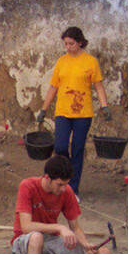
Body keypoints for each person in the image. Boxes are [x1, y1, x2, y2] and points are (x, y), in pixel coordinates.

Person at [36, 26, 111, 195]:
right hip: (62, 111)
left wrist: (104, 105)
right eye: (65, 44)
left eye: (71, 43)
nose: (68, 47)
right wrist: (43, 109)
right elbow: (53, 87)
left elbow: (98, 86)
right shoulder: (62, 61)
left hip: (83, 114)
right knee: (60, 147)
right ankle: (60, 181)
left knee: (77, 149)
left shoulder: (90, 61)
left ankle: (72, 190)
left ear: (80, 42)